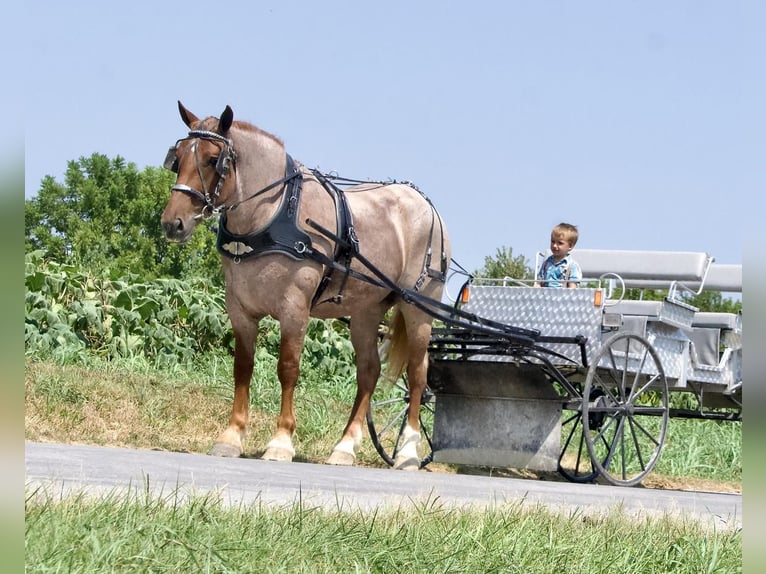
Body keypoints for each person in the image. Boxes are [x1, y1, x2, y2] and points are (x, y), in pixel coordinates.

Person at [535, 222, 581, 288]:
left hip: (562, 296)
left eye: (560, 243)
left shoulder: (572, 265)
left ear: (570, 246)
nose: (554, 245)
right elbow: (539, 283)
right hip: (545, 296)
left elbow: (572, 288)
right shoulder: (546, 263)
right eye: (553, 241)